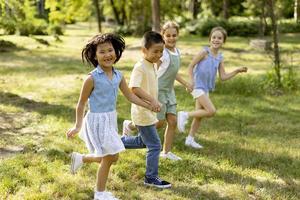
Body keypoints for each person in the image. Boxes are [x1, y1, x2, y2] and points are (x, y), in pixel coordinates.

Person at [66, 33, 155, 200]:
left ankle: (81, 158)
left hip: (110, 119)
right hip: (96, 121)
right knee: (108, 157)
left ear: (116, 52)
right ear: (94, 55)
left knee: (113, 156)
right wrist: (77, 126)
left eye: (110, 50)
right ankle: (100, 193)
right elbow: (81, 104)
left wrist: (148, 105)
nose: (107, 55)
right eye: (102, 52)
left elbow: (130, 96)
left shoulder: (118, 75)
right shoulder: (92, 78)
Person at [123, 21, 192, 161]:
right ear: (163, 36)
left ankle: (166, 152)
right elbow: (152, 67)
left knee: (172, 121)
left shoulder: (176, 52)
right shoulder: (162, 53)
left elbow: (173, 72)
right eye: (168, 35)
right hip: (159, 91)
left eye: (174, 35)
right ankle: (131, 125)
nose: (171, 38)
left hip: (169, 91)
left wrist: (185, 83)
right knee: (159, 123)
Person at [177, 26, 248, 149]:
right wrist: (191, 82)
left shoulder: (219, 58)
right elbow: (190, 66)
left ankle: (190, 139)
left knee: (199, 116)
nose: (216, 40)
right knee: (211, 111)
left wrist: (237, 71)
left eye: (219, 38)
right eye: (214, 37)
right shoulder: (204, 52)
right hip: (197, 86)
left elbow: (223, 77)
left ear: (223, 41)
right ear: (210, 39)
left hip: (205, 88)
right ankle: (184, 114)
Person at [121, 31, 171, 188]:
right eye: (155, 51)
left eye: (161, 51)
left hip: (148, 111)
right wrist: (152, 100)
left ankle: (115, 142)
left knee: (142, 142)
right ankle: (150, 177)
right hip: (142, 112)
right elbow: (134, 88)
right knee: (155, 145)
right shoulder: (140, 67)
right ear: (144, 50)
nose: (159, 54)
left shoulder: (152, 65)